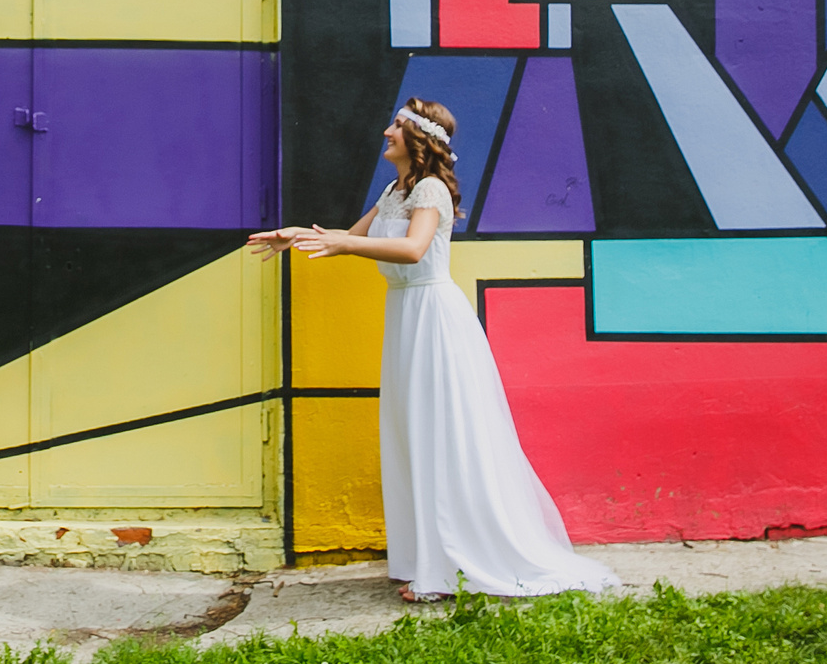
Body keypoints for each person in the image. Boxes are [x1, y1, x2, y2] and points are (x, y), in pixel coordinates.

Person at [251, 99, 618, 603]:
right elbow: (349, 237)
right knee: (411, 434)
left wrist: (346, 247)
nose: (386, 132)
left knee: (438, 434)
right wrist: (295, 236)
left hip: (434, 315)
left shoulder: (430, 188)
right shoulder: (393, 190)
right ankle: (425, 559)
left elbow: (412, 249)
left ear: (419, 138)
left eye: (397, 126)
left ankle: (447, 569)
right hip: (405, 315)